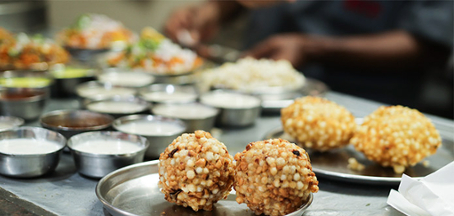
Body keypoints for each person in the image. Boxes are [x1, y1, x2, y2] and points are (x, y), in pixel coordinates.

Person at [164, 0, 453, 118]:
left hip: (357, 106)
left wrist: (313, 48)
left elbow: (429, 43)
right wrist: (217, 8)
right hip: (246, 96)